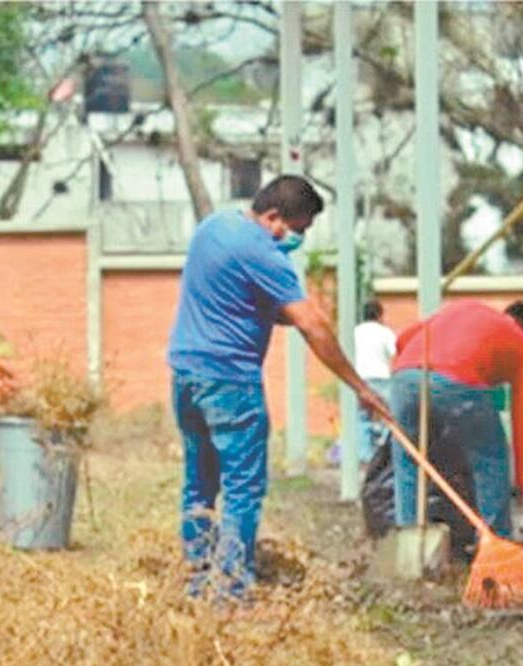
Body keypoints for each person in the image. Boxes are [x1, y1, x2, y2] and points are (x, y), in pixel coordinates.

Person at [167, 175, 390, 600]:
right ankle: (229, 591)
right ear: (273, 218)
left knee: (199, 483)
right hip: (230, 382)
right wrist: (359, 386)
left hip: (185, 375)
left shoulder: (212, 228)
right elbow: (311, 324)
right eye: (299, 230)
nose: (297, 240)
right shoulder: (262, 252)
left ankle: (197, 578)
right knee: (242, 487)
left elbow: (250, 303)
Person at [389, 297, 523, 553]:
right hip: (458, 379)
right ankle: (496, 547)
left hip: (405, 376)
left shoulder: (466, 309)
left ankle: (408, 550)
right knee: (490, 459)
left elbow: (403, 338)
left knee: (409, 460)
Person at [354, 299, 396, 463]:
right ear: (379, 315)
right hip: (381, 378)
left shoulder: (355, 332)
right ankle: (383, 446)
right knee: (390, 415)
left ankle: (366, 455)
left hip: (359, 379)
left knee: (362, 417)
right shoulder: (384, 332)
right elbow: (395, 352)